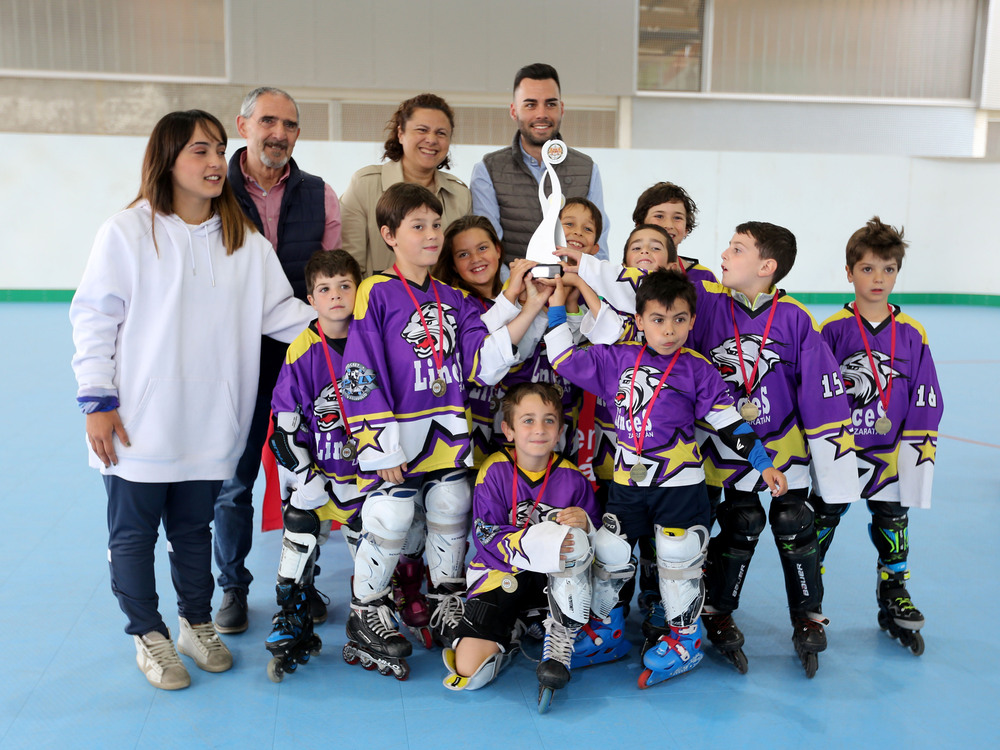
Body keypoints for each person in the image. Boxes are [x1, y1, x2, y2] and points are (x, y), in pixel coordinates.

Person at [69, 109, 315, 690]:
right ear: (168, 160)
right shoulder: (127, 231)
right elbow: (94, 318)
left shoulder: (244, 241)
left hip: (211, 423)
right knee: (131, 535)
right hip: (138, 423)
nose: (213, 163)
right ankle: (147, 634)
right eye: (200, 152)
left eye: (218, 150)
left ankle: (195, 622)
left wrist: (352, 329)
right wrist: (97, 400)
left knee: (192, 531)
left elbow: (282, 315)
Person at [340, 183, 550, 678]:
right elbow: (359, 371)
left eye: (436, 224)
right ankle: (365, 611)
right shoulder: (376, 291)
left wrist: (529, 306)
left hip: (445, 429)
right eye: (418, 226)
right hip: (397, 433)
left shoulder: (453, 297)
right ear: (389, 235)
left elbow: (482, 357)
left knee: (452, 506)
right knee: (391, 513)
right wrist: (379, 443)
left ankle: (447, 600)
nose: (432, 235)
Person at [544, 269, 787, 688]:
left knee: (678, 558)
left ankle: (685, 640)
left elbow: (729, 422)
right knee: (610, 550)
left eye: (679, 319)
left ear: (692, 321)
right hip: (627, 483)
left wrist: (764, 463)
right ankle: (607, 632)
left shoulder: (698, 368)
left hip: (680, 485)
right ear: (638, 321)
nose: (669, 329)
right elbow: (563, 359)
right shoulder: (616, 358)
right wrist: (553, 303)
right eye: (657, 319)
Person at [687, 222, 859, 677]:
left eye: (737, 248)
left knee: (793, 522)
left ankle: (807, 614)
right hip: (725, 445)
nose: (724, 253)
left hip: (782, 444)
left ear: (767, 266)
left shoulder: (796, 318)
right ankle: (719, 610)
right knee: (742, 521)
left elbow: (822, 394)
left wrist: (833, 469)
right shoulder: (705, 307)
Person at [215, 86, 343, 635]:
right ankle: (232, 589)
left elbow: (333, 270)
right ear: (243, 125)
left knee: (304, 475)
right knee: (235, 478)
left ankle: (303, 582)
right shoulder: (211, 188)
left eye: (290, 124)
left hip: (303, 355)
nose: (279, 133)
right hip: (231, 355)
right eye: (268, 121)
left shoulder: (319, 195)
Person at [442, 383, 632, 713]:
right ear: (509, 429)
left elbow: (596, 540)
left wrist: (586, 523)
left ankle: (544, 626)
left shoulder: (572, 478)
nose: (539, 429)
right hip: (501, 575)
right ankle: (514, 628)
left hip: (552, 581)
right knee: (469, 671)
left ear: (560, 429)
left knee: (584, 568)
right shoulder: (494, 470)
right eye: (527, 420)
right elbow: (486, 536)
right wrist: (540, 543)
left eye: (548, 421)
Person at [813, 217, 942, 656]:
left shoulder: (913, 332)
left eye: (888, 269)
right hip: (842, 451)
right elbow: (817, 393)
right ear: (848, 272)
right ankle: (809, 600)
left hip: (889, 451)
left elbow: (926, 394)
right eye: (867, 269)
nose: (878, 279)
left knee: (893, 522)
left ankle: (894, 593)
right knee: (822, 523)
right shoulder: (831, 330)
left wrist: (915, 453)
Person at [263, 250, 366, 680]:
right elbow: (282, 433)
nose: (336, 295)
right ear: (311, 299)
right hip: (319, 477)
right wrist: (305, 479)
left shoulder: (373, 340)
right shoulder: (301, 351)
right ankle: (292, 614)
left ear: (358, 290)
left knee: (381, 545)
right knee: (301, 526)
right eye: (325, 289)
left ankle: (371, 610)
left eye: (345, 285)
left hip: (366, 477)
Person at [470, 63, 610, 263]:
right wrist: (515, 290)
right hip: (510, 289)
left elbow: (599, 247)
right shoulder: (488, 170)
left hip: (571, 288)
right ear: (513, 111)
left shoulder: (587, 169)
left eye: (551, 104)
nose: (541, 114)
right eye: (530, 105)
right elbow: (487, 246)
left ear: (561, 109)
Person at [341, 93, 471, 277]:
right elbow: (349, 266)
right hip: (378, 303)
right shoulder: (365, 185)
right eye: (422, 130)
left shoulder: (460, 195)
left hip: (444, 304)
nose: (432, 139)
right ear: (400, 133)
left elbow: (463, 264)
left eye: (441, 133)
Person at [632, 181, 717, 284]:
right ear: (640, 225)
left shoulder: (704, 277)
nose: (669, 225)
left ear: (686, 228)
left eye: (677, 218)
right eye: (659, 216)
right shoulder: (625, 275)